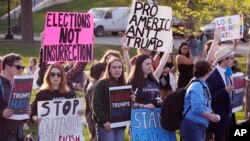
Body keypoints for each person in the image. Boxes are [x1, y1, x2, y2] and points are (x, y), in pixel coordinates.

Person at [180, 60, 220, 141]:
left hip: (199, 124)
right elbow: (197, 108)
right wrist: (210, 117)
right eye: (210, 69)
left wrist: (212, 113)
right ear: (207, 72)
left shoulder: (201, 84)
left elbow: (205, 105)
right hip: (193, 124)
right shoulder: (197, 86)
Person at [93, 58, 126, 141]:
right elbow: (96, 105)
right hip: (107, 125)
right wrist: (104, 121)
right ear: (109, 69)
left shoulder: (123, 84)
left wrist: (131, 99)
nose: (117, 70)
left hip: (120, 125)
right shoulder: (102, 83)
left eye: (119, 67)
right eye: (114, 67)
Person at [0, 53, 31, 141]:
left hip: (15, 136)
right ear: (7, 67)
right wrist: (2, 113)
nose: (21, 70)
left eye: (22, 67)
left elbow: (23, 119)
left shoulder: (20, 85)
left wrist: (26, 111)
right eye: (18, 67)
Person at [206, 47, 235, 141]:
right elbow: (208, 99)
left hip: (228, 116)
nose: (233, 60)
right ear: (224, 59)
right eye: (231, 58)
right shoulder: (212, 76)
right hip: (218, 118)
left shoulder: (227, 73)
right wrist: (224, 90)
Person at [84, 62, 106, 141]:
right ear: (103, 73)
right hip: (95, 123)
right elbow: (93, 108)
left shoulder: (97, 85)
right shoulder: (93, 87)